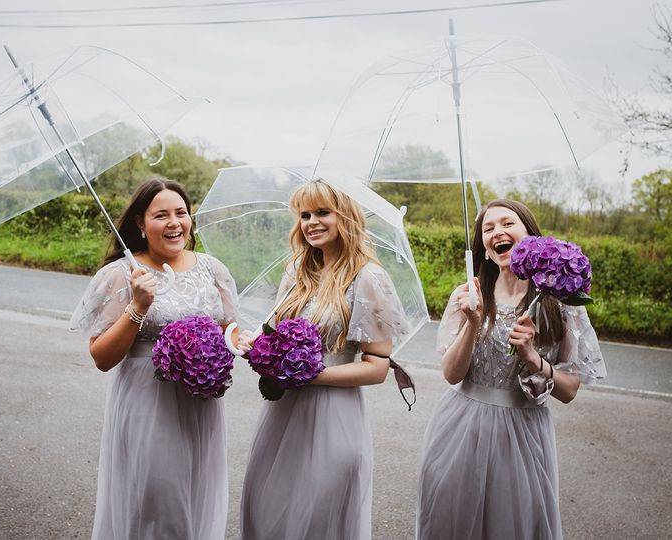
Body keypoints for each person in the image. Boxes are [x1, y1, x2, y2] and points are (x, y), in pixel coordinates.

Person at [415, 199, 607, 540]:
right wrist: (472, 324)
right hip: (460, 428)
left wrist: (534, 358)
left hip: (523, 432)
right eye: (488, 229)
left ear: (530, 236)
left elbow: (569, 390)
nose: (497, 233)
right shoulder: (468, 295)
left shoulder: (560, 304)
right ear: (485, 250)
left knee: (514, 523)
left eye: (507, 224)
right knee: (452, 521)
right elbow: (451, 375)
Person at [69, 178, 241, 540]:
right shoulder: (122, 275)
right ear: (140, 224)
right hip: (147, 404)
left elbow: (229, 330)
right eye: (161, 215)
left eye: (181, 212)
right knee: (158, 501)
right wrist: (138, 306)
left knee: (196, 494)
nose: (174, 223)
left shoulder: (213, 270)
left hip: (201, 403)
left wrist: (243, 348)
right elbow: (101, 357)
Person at [239, 179, 410, 540]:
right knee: (270, 507)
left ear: (344, 216)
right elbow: (273, 330)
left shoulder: (368, 277)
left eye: (322, 212)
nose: (311, 222)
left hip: (334, 413)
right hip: (284, 413)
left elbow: (377, 367)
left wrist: (307, 375)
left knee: (319, 516)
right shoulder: (297, 272)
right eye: (304, 215)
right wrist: (255, 344)